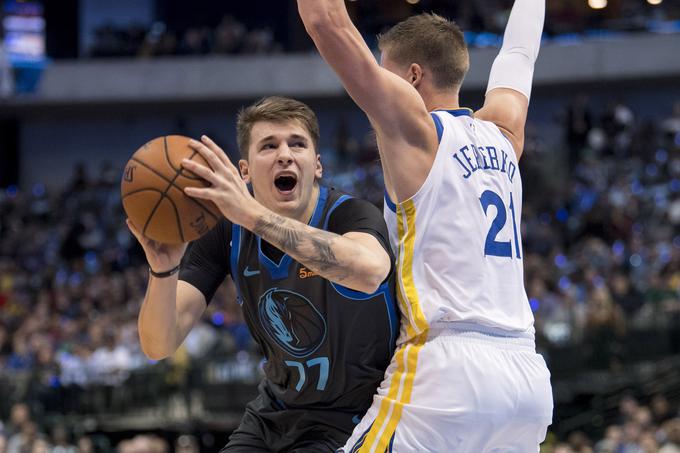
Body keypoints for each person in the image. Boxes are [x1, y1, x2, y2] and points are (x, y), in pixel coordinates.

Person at [298, 1, 553, 451]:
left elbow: (326, 23)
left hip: (447, 370)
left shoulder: (415, 131)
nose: (378, 83)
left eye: (385, 72)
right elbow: (519, 54)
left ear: (413, 77)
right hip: (525, 375)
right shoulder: (505, 134)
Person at [128, 96, 398, 452]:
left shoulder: (351, 215)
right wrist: (163, 270)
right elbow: (158, 345)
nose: (284, 154)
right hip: (274, 412)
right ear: (245, 172)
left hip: (356, 415)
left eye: (297, 144)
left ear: (317, 165)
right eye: (269, 146)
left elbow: (369, 271)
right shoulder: (226, 232)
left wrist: (252, 215)